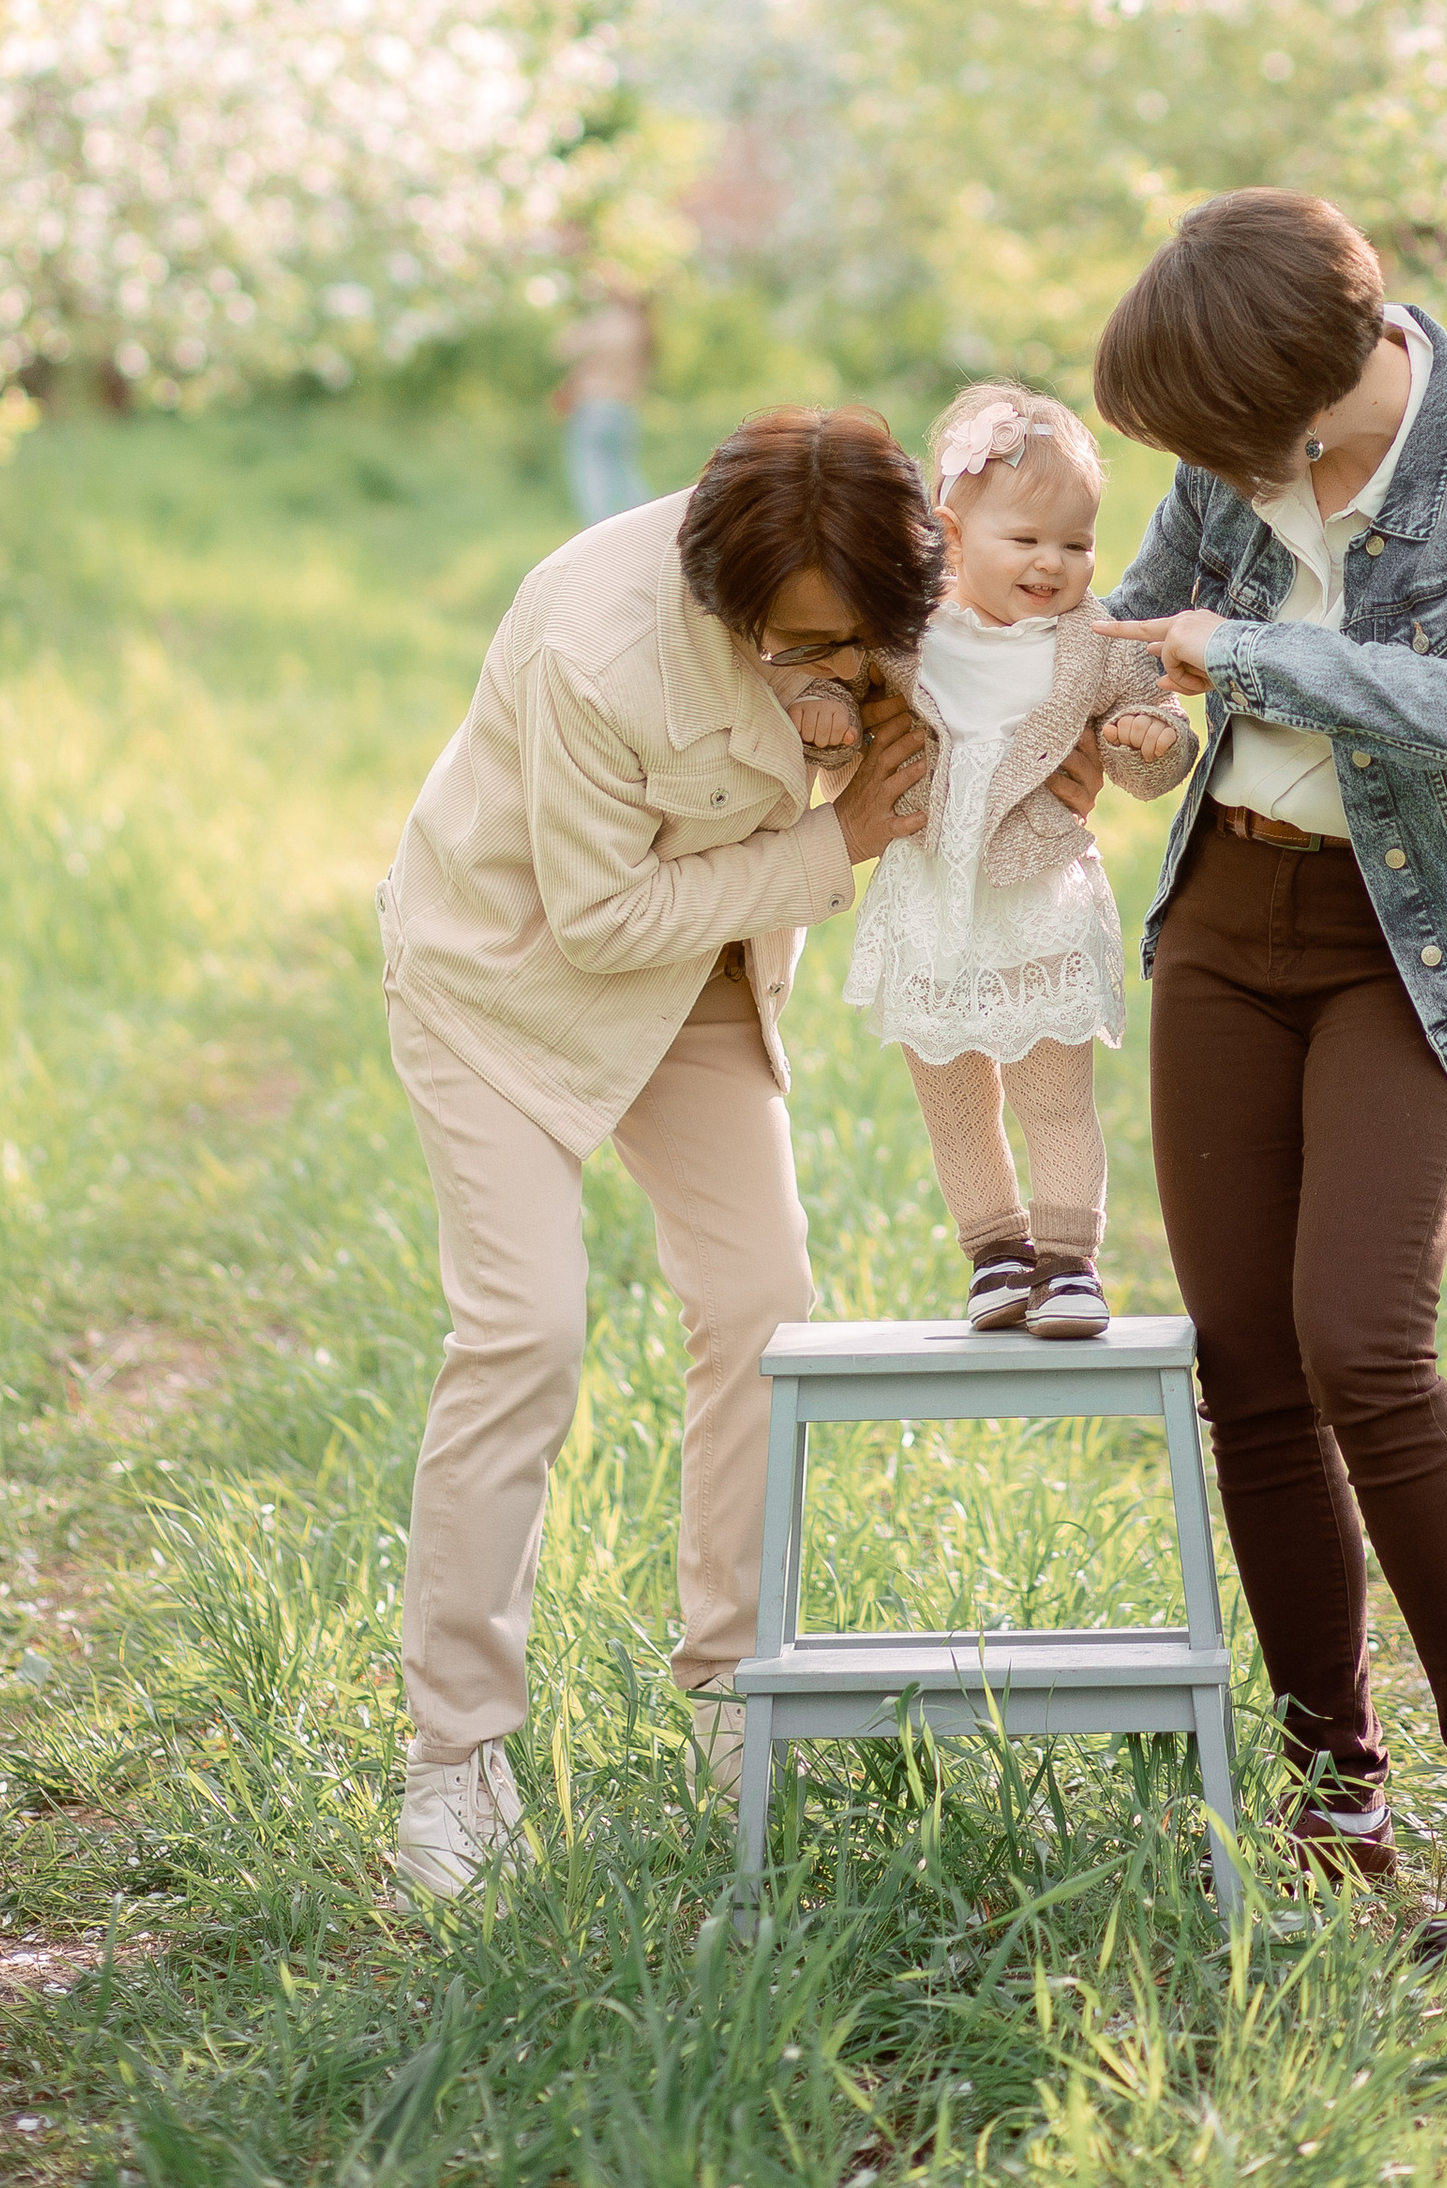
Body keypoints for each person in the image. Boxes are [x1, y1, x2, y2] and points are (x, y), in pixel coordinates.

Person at [1094, 189, 1447, 1962]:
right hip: (1232, 922)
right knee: (1246, 1366)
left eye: (1219, 443)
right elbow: (1143, 642)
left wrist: (1232, 656)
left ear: (1305, 402)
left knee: (1364, 1344)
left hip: (1428, 943)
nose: (1207, 472)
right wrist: (1131, 711)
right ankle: (1337, 1782)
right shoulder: (1234, 456)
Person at [374, 406, 942, 1903]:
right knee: (525, 1334)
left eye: (852, 640)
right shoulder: (597, 645)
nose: (827, 664)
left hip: (695, 978)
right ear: (727, 598)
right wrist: (844, 841)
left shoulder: (872, 572)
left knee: (769, 1304)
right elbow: (600, 920)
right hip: (508, 978)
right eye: (798, 644)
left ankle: (737, 1699)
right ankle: (456, 1759)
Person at [839, 384, 1197, 1339]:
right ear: (953, 537)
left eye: (1075, 544)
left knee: (1054, 1095)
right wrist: (824, 719)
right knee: (952, 1095)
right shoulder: (904, 636)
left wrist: (1146, 743)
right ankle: (994, 1253)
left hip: (1036, 898)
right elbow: (838, 695)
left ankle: (1070, 1261)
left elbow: (1156, 722)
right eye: (1027, 540)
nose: (1054, 564)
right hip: (930, 900)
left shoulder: (1092, 642)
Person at [559, 286, 653, 523]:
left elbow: (562, 348)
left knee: (592, 474)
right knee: (625, 471)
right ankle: (649, 523)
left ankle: (597, 530)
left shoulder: (605, 323)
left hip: (594, 406)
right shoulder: (642, 328)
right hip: (623, 409)